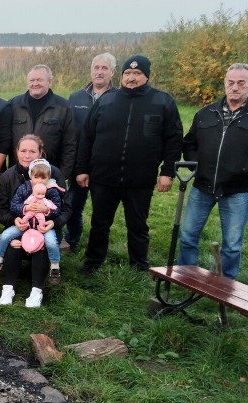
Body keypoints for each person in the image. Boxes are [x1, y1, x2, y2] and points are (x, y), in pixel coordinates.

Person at [75, 54, 183, 274]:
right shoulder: (107, 100)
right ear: (122, 75)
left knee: (138, 225)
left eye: (137, 73)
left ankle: (139, 265)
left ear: (146, 76)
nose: (131, 78)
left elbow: (174, 138)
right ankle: (93, 262)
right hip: (103, 177)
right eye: (128, 73)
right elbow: (87, 136)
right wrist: (82, 169)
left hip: (140, 178)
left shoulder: (162, 101)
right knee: (100, 223)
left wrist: (167, 171)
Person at [177, 63, 248, 278]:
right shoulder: (206, 113)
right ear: (225, 83)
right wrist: (196, 166)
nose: (234, 87)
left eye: (241, 83)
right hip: (202, 186)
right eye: (230, 82)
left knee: (233, 244)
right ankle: (186, 278)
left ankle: (224, 288)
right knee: (188, 235)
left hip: (237, 189)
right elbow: (189, 143)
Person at [0, 135, 70, 286]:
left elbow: (66, 208)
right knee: (13, 244)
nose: (27, 155)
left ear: (40, 152)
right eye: (23, 150)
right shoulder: (7, 177)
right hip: (21, 223)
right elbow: (0, 209)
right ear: (16, 152)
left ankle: (38, 289)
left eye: (32, 151)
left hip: (46, 225)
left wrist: (53, 222)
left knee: (43, 247)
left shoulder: (54, 174)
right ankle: (7, 287)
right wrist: (13, 219)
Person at [65, 52, 117, 251]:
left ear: (112, 72)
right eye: (96, 68)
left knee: (101, 210)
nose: (99, 72)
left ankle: (97, 246)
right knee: (73, 205)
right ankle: (72, 240)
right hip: (80, 163)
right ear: (91, 70)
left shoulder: (118, 98)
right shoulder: (76, 97)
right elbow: (70, 132)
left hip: (105, 165)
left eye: (104, 68)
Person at [0, 160, 62, 278]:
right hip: (25, 224)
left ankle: (55, 266)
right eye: (36, 177)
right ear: (30, 176)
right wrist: (26, 208)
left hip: (42, 226)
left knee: (51, 242)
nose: (39, 181)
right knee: (5, 235)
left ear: (48, 177)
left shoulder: (52, 191)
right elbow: (14, 206)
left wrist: (46, 210)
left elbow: (57, 209)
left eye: (43, 178)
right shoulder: (24, 188)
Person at [8, 65, 76, 181]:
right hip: (18, 174)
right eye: (32, 80)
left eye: (40, 80)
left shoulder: (63, 107)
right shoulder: (14, 105)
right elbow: (6, 139)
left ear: (50, 82)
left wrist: (63, 175)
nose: (35, 83)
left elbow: (69, 144)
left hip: (48, 175)